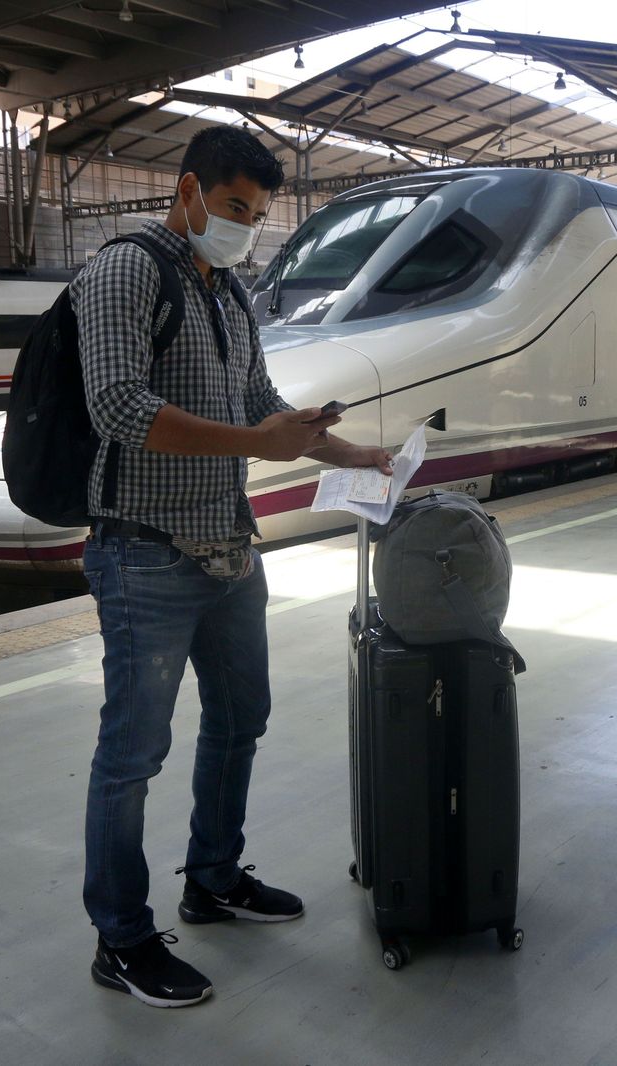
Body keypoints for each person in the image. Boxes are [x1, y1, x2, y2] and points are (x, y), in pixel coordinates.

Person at [76, 126, 393, 1008]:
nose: (243, 227)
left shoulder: (231, 293)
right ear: (189, 193)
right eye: (232, 209)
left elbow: (262, 406)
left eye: (255, 215)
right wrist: (254, 441)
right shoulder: (125, 271)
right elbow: (117, 404)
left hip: (229, 550)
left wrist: (354, 450)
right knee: (132, 755)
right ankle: (122, 938)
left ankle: (212, 878)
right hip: (144, 551)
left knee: (240, 719)